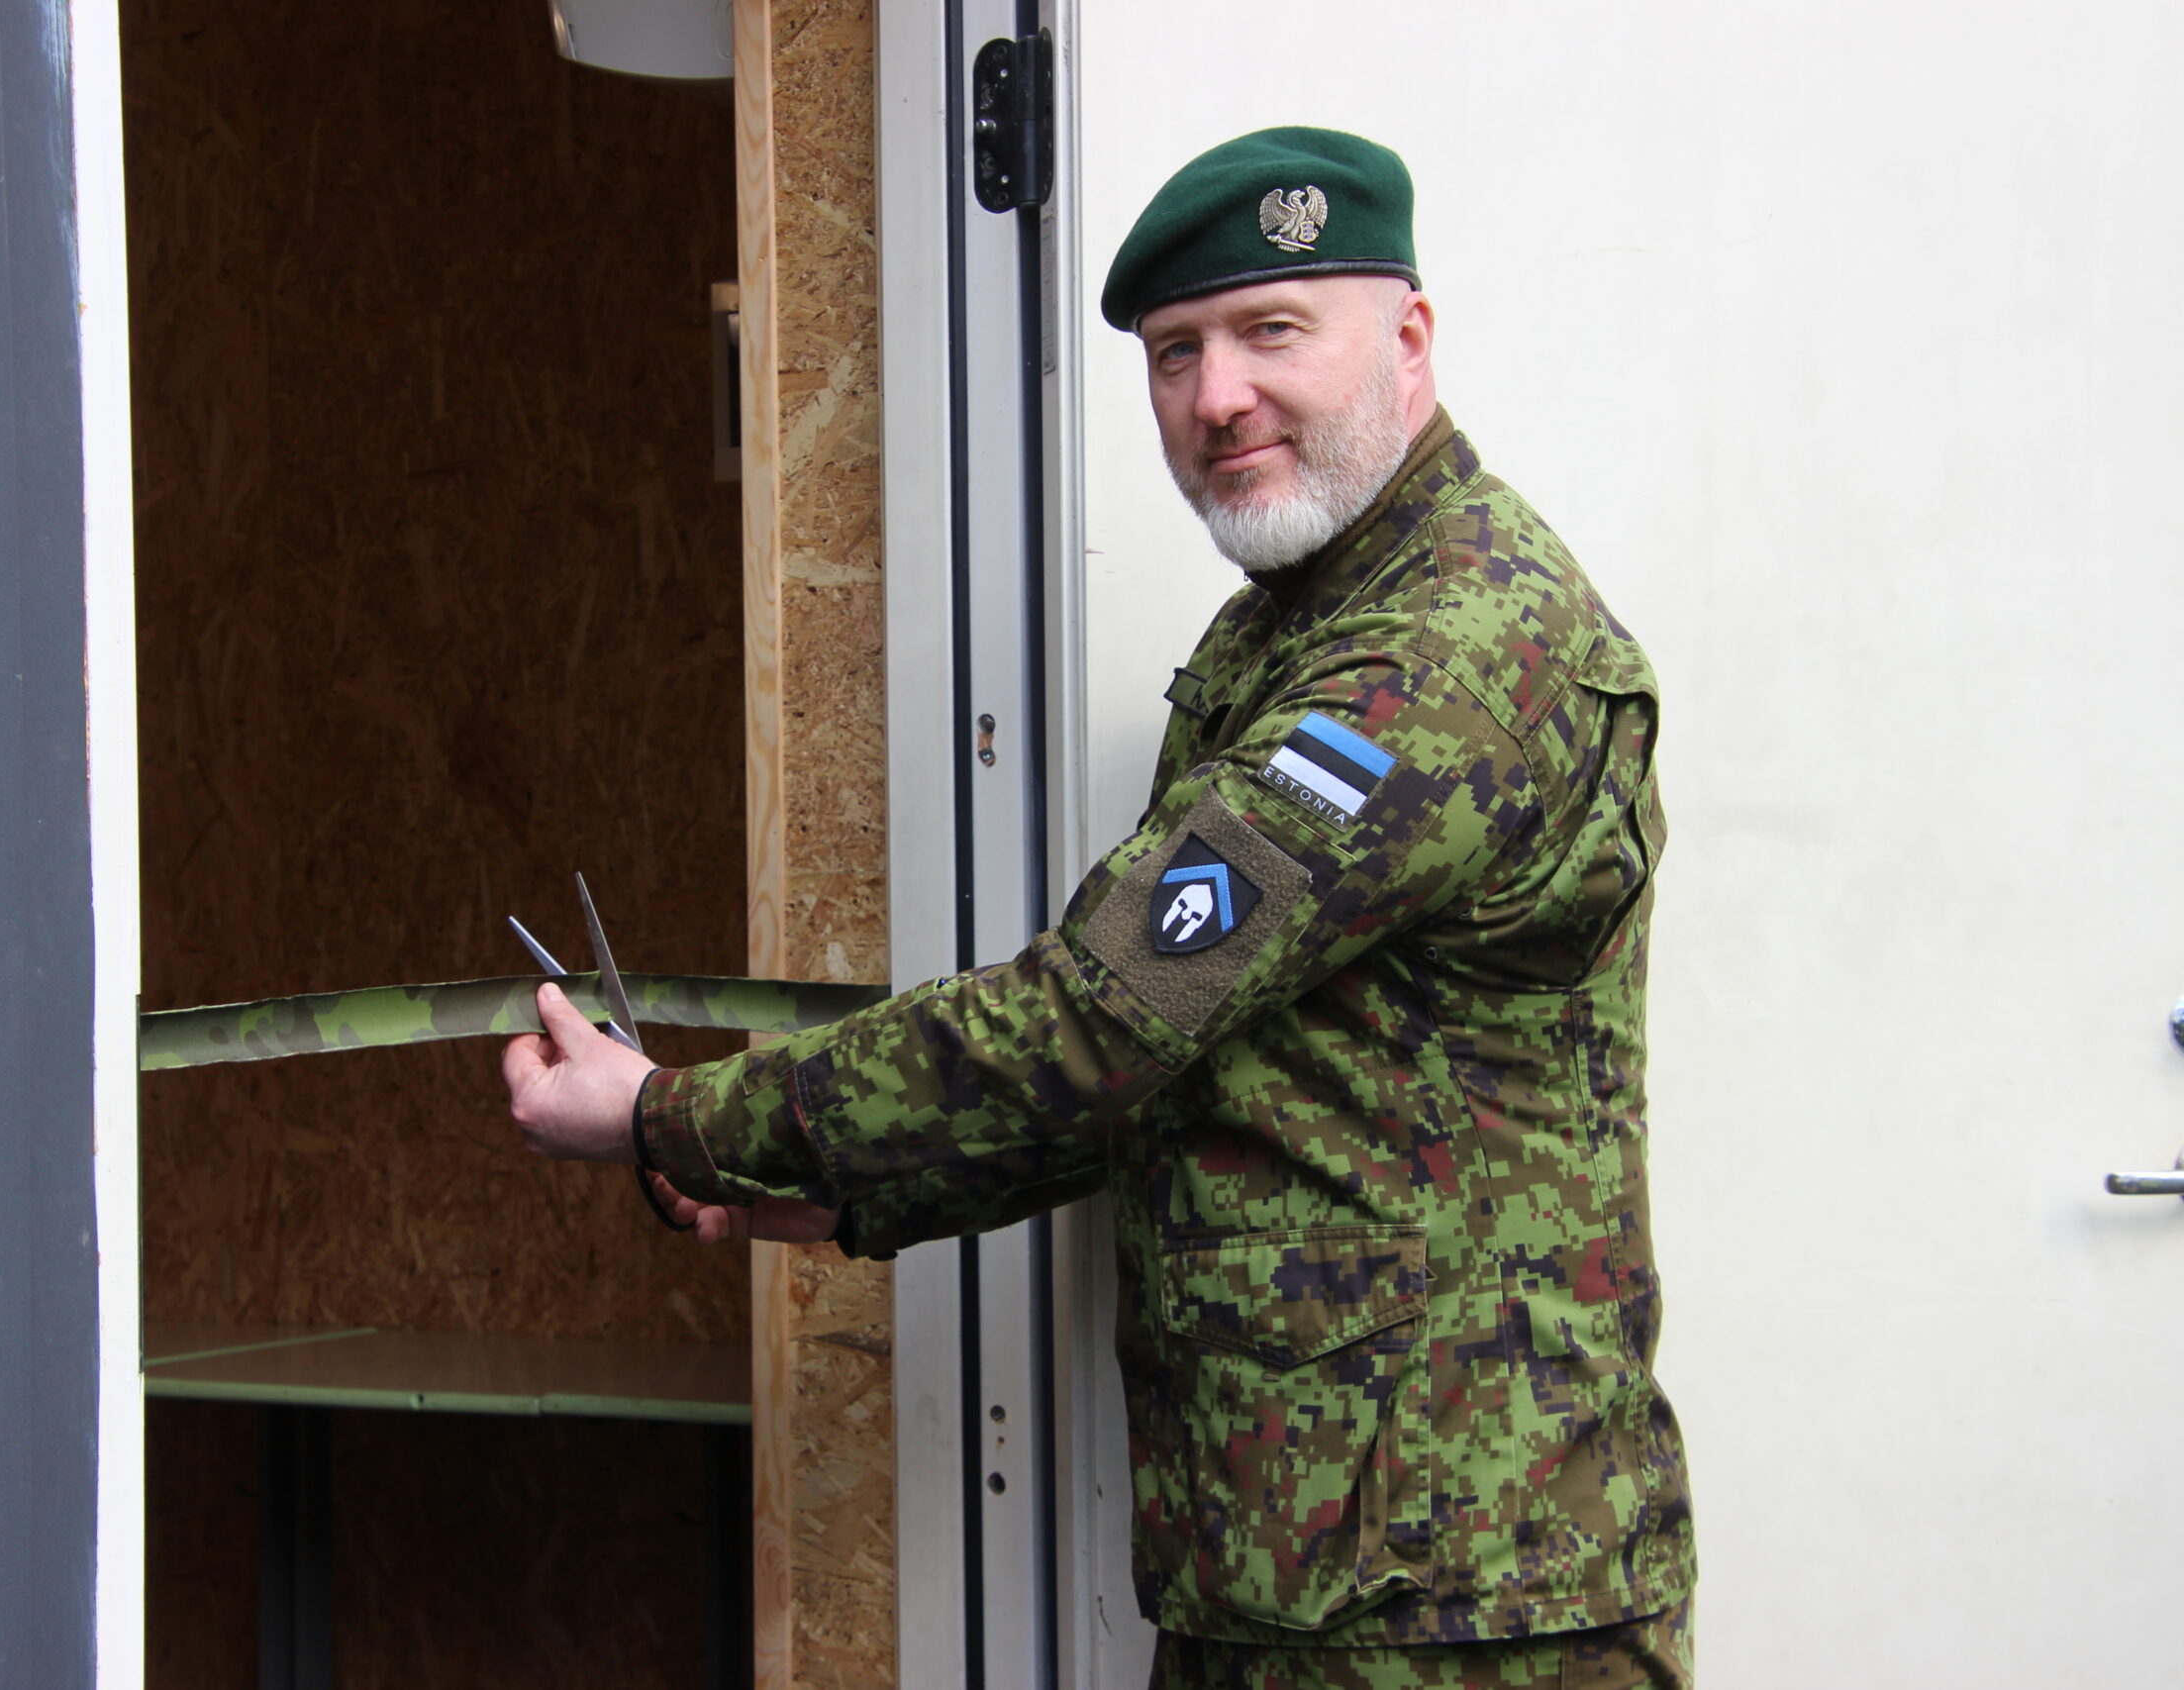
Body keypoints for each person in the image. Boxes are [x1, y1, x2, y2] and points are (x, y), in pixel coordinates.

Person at [504, 127, 1695, 1689]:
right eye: (1175, 355)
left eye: (1274, 333)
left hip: (1468, 1608)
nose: (1216, 399)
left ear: (1406, 339)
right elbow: (1179, 1064)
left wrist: (675, 1116)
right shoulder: (1295, 630)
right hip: (1304, 1570)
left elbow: (1095, 1015)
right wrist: (836, 1195)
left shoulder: (1446, 658)